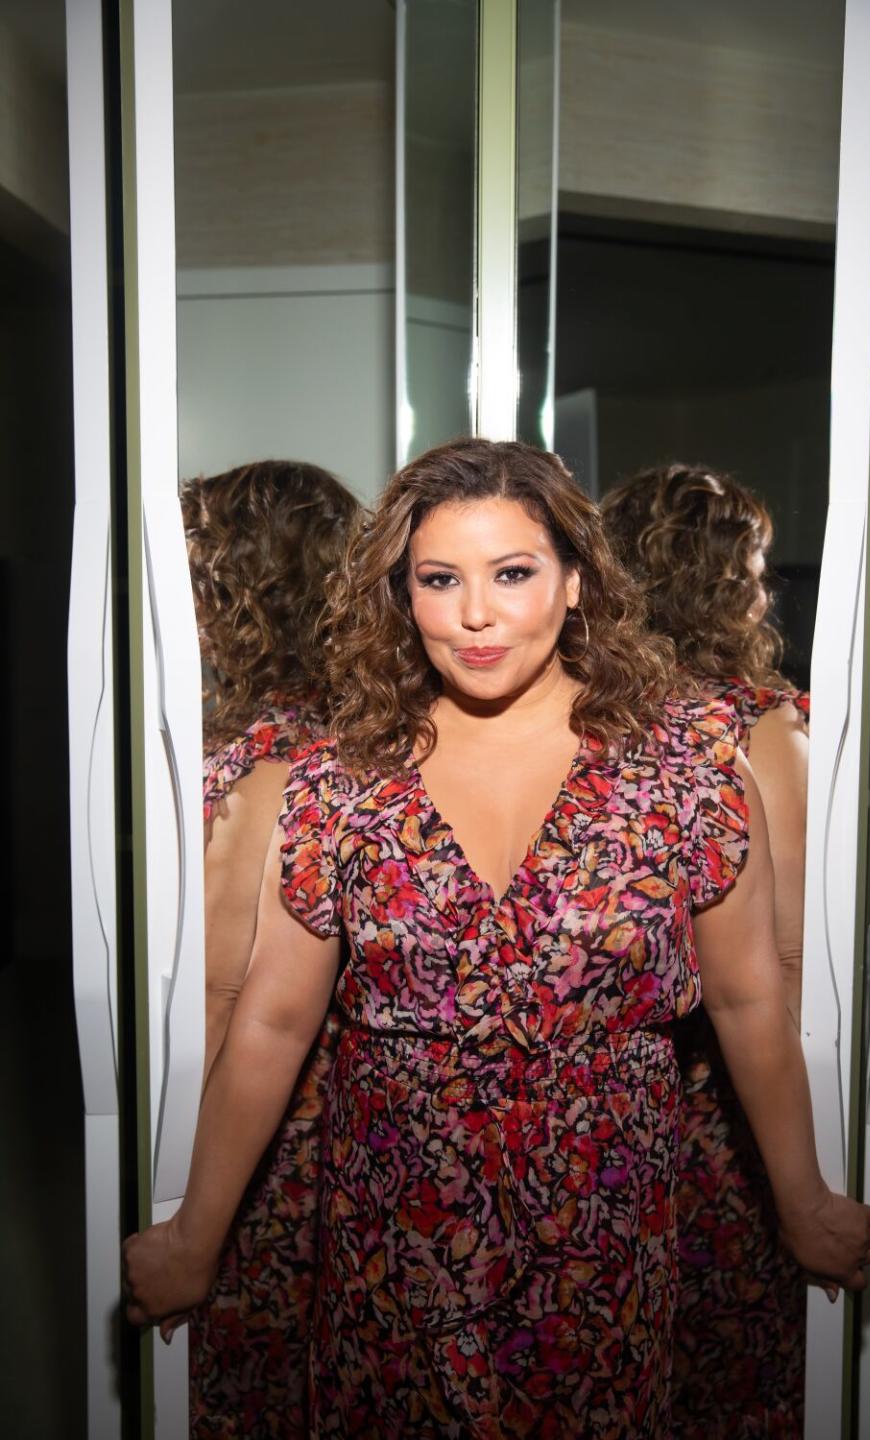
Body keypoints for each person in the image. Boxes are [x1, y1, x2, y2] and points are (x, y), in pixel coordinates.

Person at [125, 439, 870, 1439]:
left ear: (575, 583)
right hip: (394, 1227)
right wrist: (194, 1234)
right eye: (440, 579)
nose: (476, 615)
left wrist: (804, 1198)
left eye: (512, 573)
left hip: (605, 1226)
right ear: (402, 595)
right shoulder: (340, 780)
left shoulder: (689, 774)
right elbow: (271, 1019)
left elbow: (747, 1003)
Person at [602, 462, 813, 1437]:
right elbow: (786, 949)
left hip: (616, 1086)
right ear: (726, 579)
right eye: (758, 569)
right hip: (729, 1083)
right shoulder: (755, 727)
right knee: (729, 1339)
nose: (765, 592)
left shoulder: (581, 718)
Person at [180, 459, 359, 1437]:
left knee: (251, 1374)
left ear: (242, 585)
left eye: (198, 566)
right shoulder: (346, 727)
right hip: (324, 1110)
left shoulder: (275, 757)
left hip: (261, 1128)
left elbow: (220, 989)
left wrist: (165, 1165)